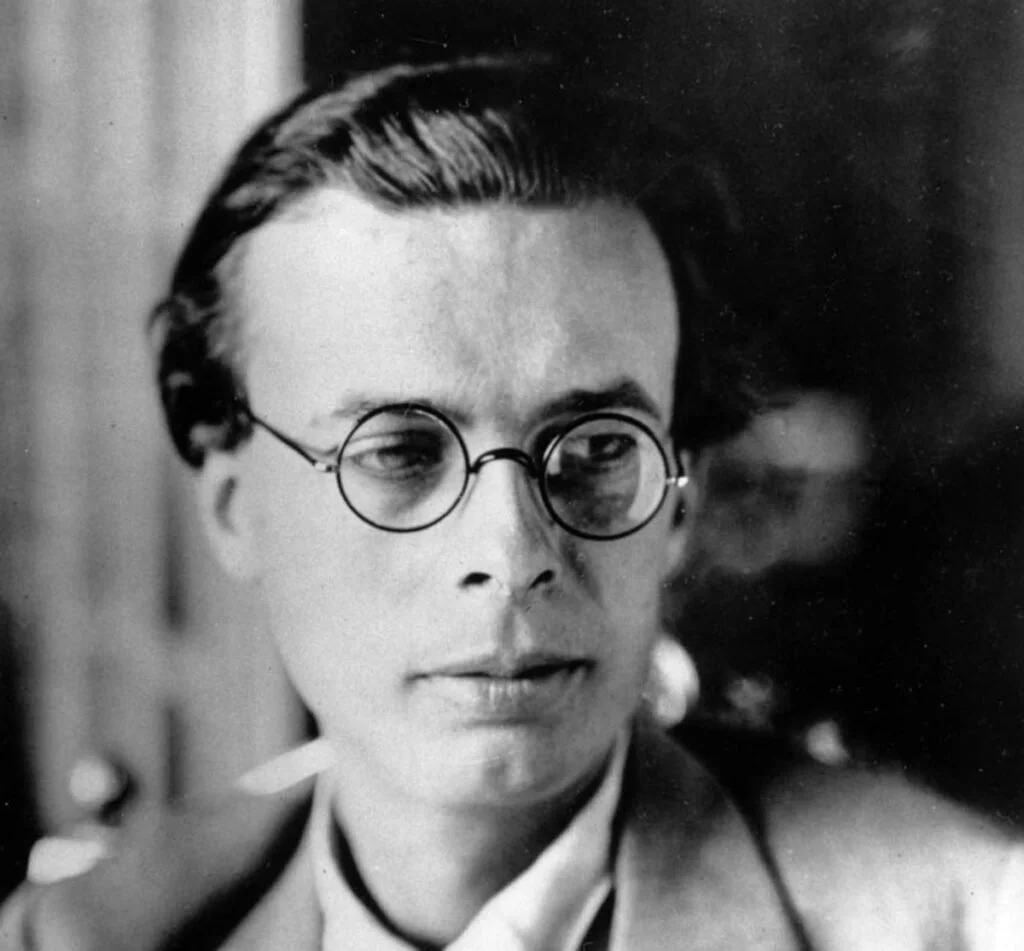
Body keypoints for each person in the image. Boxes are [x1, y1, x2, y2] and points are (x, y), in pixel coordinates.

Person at [2, 55, 1022, 951]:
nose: (511, 548)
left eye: (595, 451)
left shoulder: (964, 922)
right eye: (400, 451)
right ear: (236, 508)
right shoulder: (94, 934)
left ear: (678, 502)